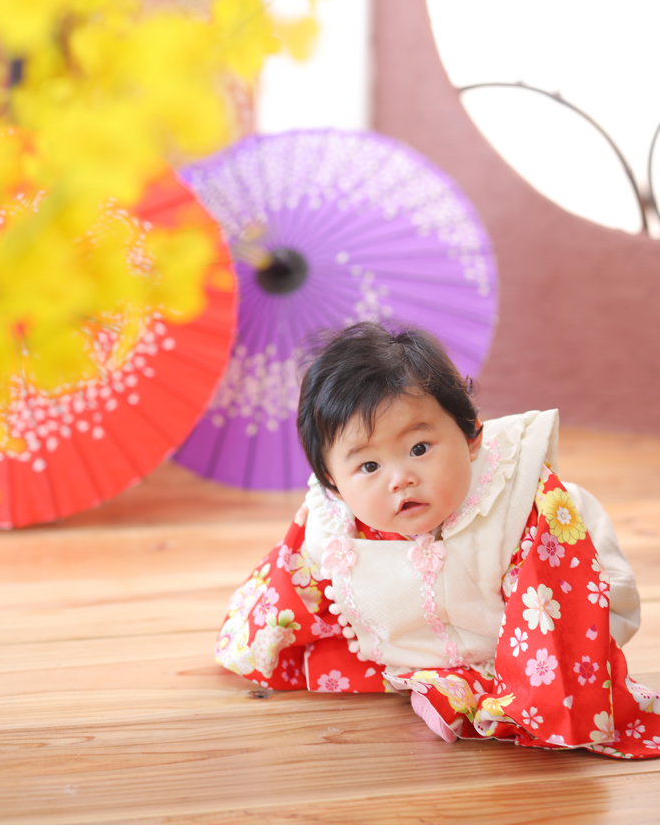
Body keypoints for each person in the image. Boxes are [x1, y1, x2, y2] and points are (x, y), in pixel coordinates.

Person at [215, 322, 660, 758]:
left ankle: (488, 690)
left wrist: (530, 684)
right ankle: (444, 681)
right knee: (330, 648)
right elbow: (291, 587)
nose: (400, 478)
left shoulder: (521, 504)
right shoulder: (333, 525)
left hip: (531, 642)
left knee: (553, 664)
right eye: (369, 466)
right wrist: (258, 642)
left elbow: (563, 603)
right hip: (410, 650)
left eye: (419, 448)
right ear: (333, 483)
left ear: (471, 436)